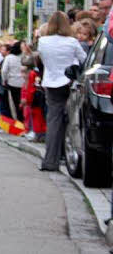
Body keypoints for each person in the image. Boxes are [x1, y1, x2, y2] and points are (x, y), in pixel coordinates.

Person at [39, 11, 87, 171]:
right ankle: (67, 156)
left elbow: (43, 60)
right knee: (71, 120)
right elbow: (84, 59)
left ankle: (50, 161)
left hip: (51, 83)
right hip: (69, 82)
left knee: (53, 121)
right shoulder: (72, 42)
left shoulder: (43, 41)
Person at [0, 40, 25, 122]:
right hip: (24, 83)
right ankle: (23, 120)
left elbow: (4, 71)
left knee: (14, 103)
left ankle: (18, 120)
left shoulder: (9, 57)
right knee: (23, 103)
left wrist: (4, 80)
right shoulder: (24, 57)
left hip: (12, 82)